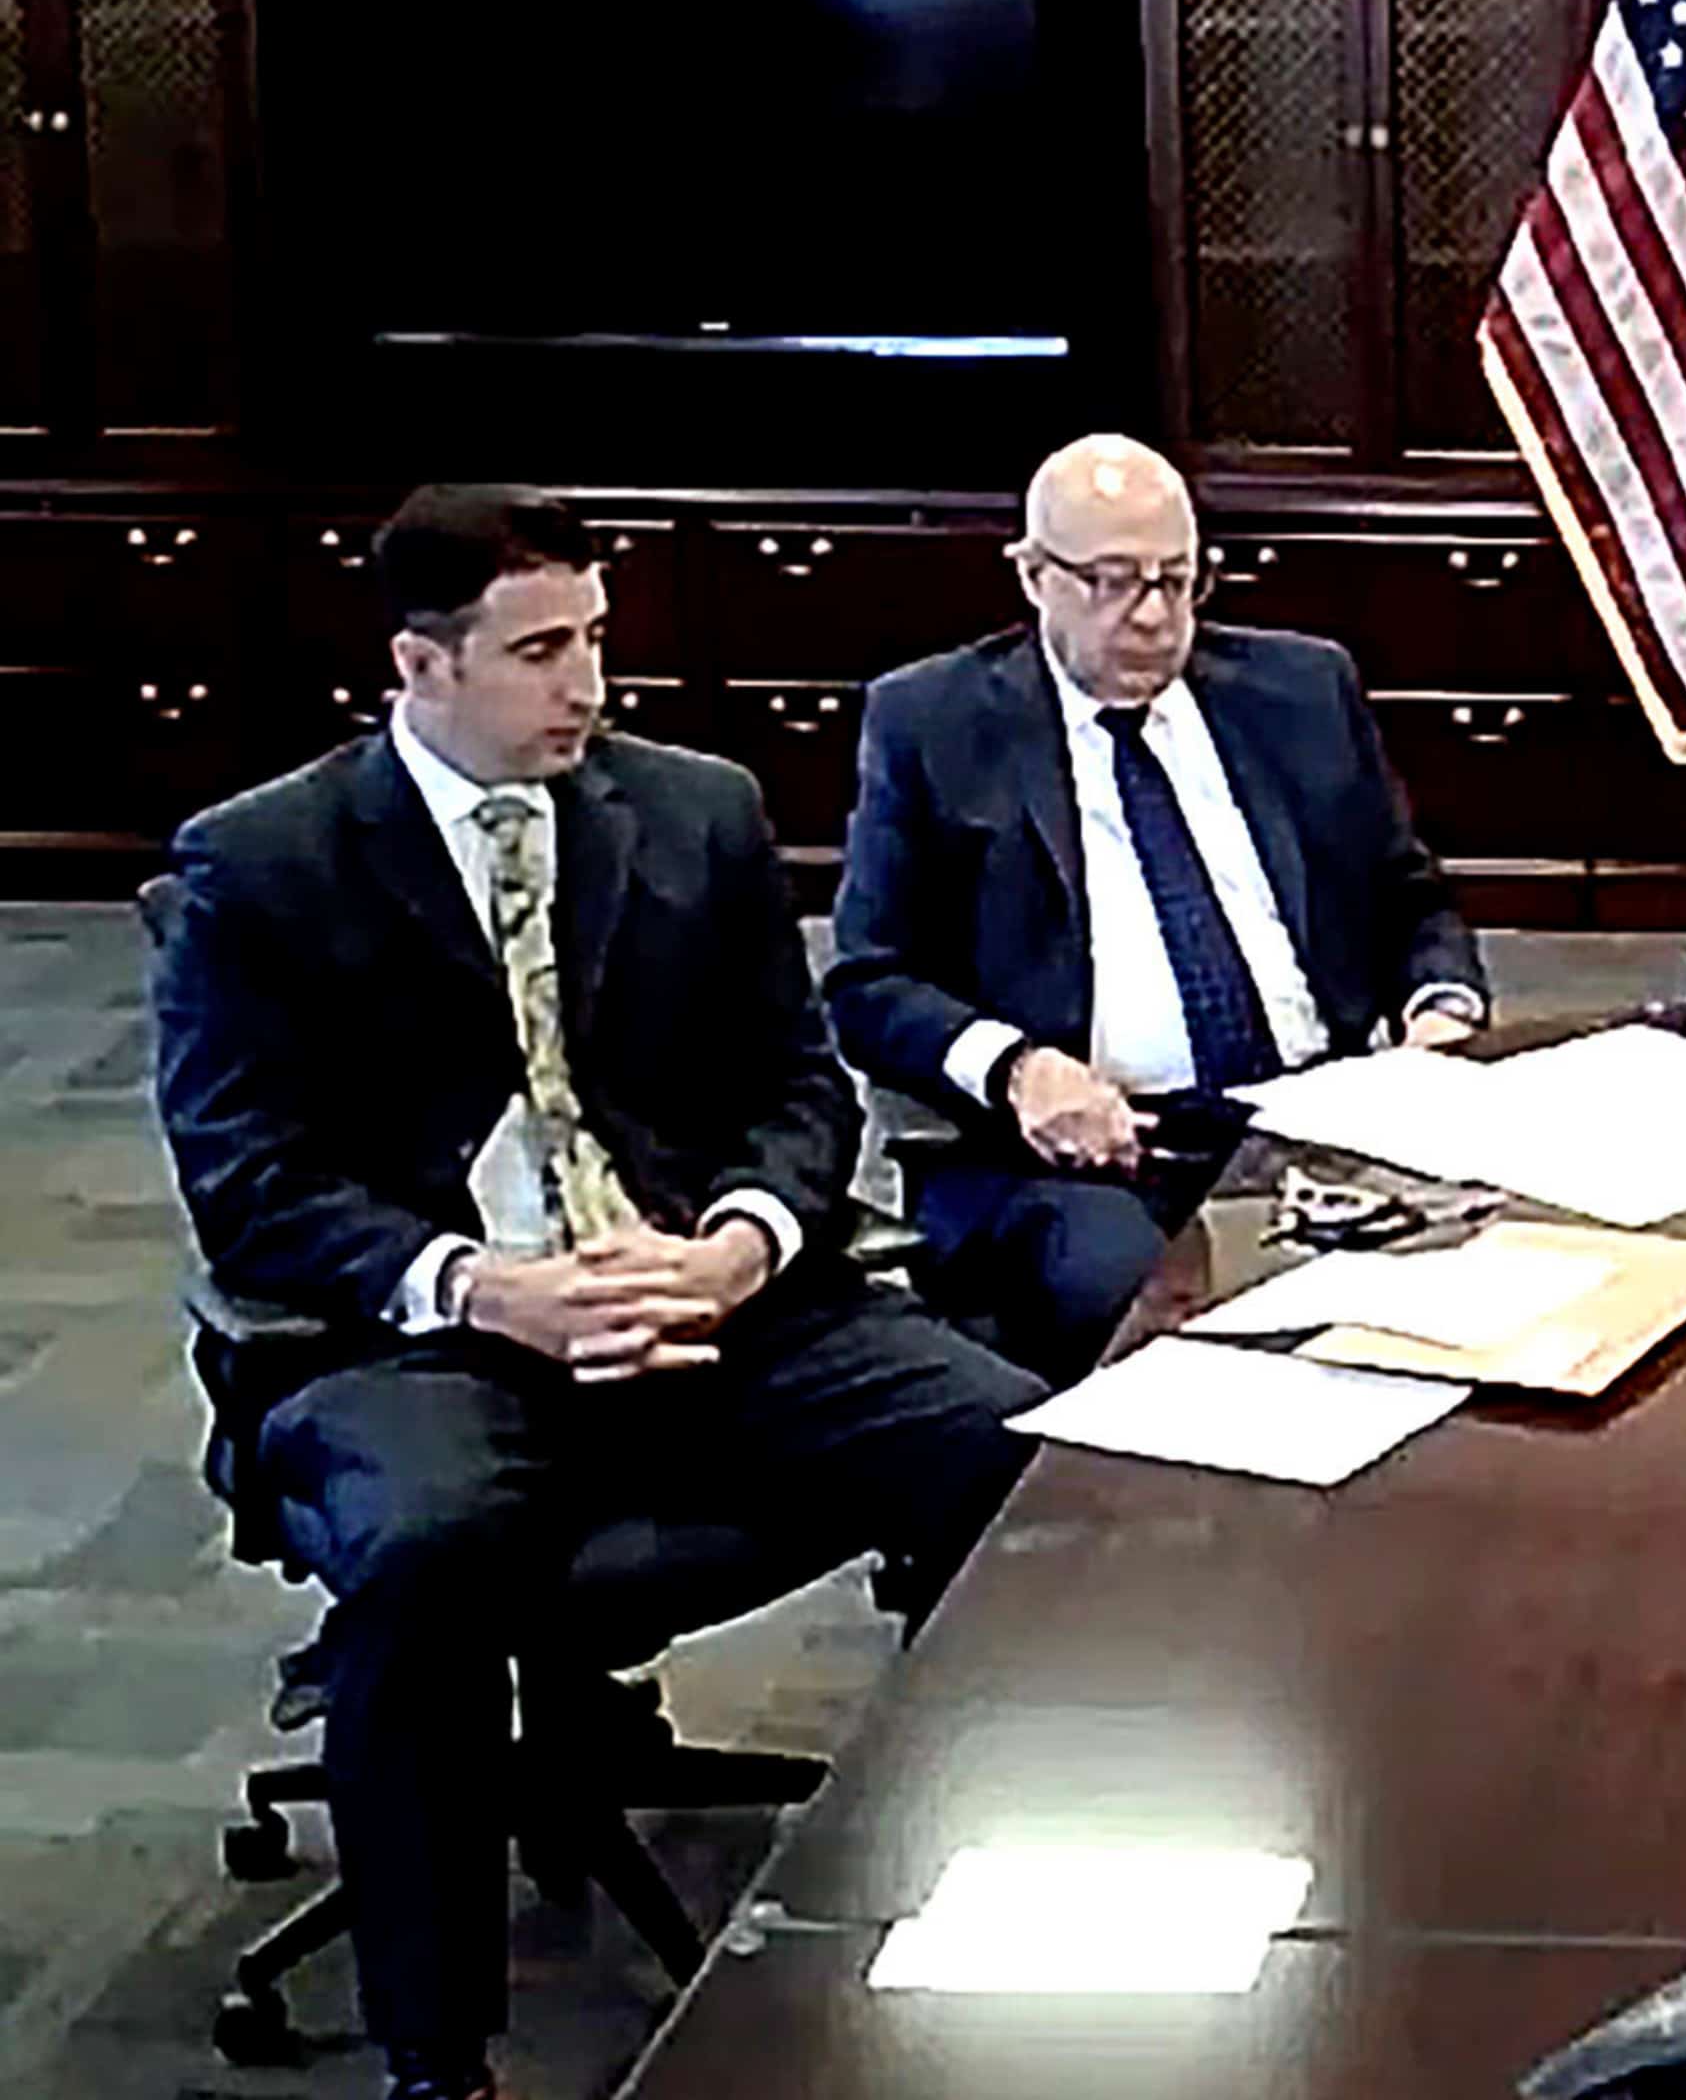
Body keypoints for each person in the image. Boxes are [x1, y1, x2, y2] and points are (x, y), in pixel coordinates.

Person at [148, 486, 1049, 2100]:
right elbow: (253, 1178)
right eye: (542, 651)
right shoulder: (262, 863)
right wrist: (485, 1286)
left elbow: (798, 1085)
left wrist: (745, 1237)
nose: (588, 687)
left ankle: (954, 1895)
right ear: (421, 668)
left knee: (1015, 1442)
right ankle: (438, 2050)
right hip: (428, 1328)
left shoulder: (690, 808)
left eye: (597, 642)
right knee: (430, 1550)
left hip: (701, 1281)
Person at [825, 433, 1488, 1382]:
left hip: (1316, 1125)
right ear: (1033, 576)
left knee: (1499, 1292)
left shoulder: (1300, 690)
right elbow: (866, 980)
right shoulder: (932, 723)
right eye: (1112, 582)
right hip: (1077, 1159)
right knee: (1191, 1330)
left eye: (1178, 581)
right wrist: (1016, 1068)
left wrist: (1440, 1012)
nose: (1151, 618)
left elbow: (1409, 898)